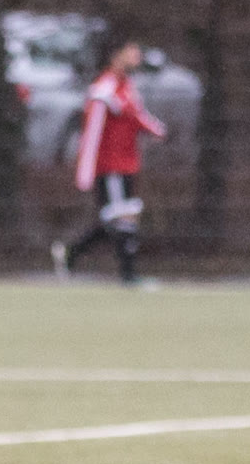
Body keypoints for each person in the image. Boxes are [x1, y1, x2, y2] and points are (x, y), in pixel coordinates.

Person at [54, 37, 167, 284]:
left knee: (117, 219)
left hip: (128, 163)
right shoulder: (103, 89)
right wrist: (85, 170)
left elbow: (137, 116)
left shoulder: (126, 86)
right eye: (132, 52)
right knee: (123, 218)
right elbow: (91, 132)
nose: (137, 57)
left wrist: (158, 130)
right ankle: (128, 276)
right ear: (117, 55)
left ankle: (71, 252)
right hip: (111, 166)